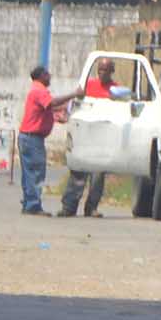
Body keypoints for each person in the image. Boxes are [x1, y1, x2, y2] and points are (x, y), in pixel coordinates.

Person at [57, 57, 121, 217]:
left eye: (106, 70)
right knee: (78, 172)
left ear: (112, 71)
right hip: (85, 135)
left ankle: (91, 208)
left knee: (98, 176)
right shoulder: (88, 85)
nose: (103, 73)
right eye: (100, 69)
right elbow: (75, 103)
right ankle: (68, 207)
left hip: (104, 136)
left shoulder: (116, 89)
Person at [17, 65, 58, 214]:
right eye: (47, 74)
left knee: (29, 172)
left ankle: (29, 202)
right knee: (36, 172)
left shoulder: (36, 90)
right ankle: (33, 205)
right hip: (32, 138)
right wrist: (74, 94)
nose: (50, 76)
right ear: (41, 76)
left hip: (28, 137)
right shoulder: (39, 90)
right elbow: (52, 103)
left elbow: (47, 110)